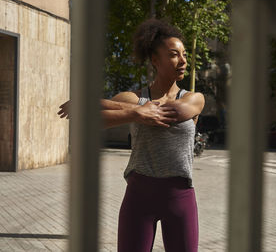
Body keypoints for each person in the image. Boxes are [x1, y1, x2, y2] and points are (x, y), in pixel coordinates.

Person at [58, 18, 205, 252]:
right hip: (139, 196)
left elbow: (168, 113)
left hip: (180, 197)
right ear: (155, 60)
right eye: (174, 54)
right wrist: (136, 113)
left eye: (184, 54)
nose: (183, 60)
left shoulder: (193, 98)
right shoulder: (133, 99)